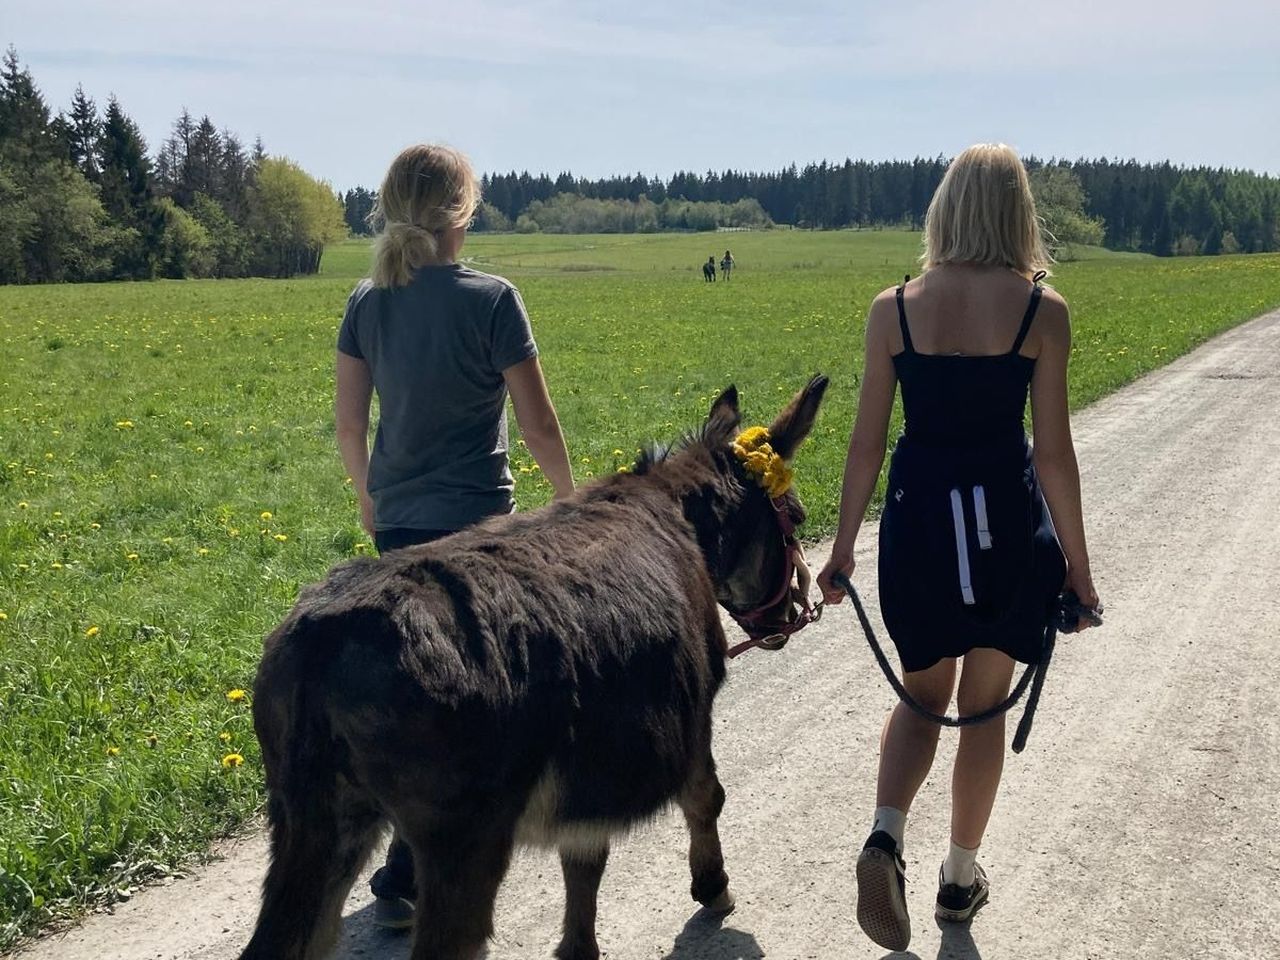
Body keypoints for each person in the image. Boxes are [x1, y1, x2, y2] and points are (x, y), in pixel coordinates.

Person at [816, 143, 1100, 952]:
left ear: (944, 209)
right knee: (984, 704)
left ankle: (883, 835)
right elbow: (1053, 454)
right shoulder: (1044, 311)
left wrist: (839, 552)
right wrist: (1079, 571)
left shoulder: (893, 309)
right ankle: (957, 878)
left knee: (920, 693)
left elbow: (866, 443)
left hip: (920, 522)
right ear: (1019, 212)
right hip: (1004, 525)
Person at [334, 142, 575, 928]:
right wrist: (568, 500)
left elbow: (348, 421)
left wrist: (370, 497)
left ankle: (405, 866)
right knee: (478, 694)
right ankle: (434, 863)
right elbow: (537, 422)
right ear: (462, 213)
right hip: (478, 524)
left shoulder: (367, 302)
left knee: (414, 684)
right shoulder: (494, 298)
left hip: (400, 522)